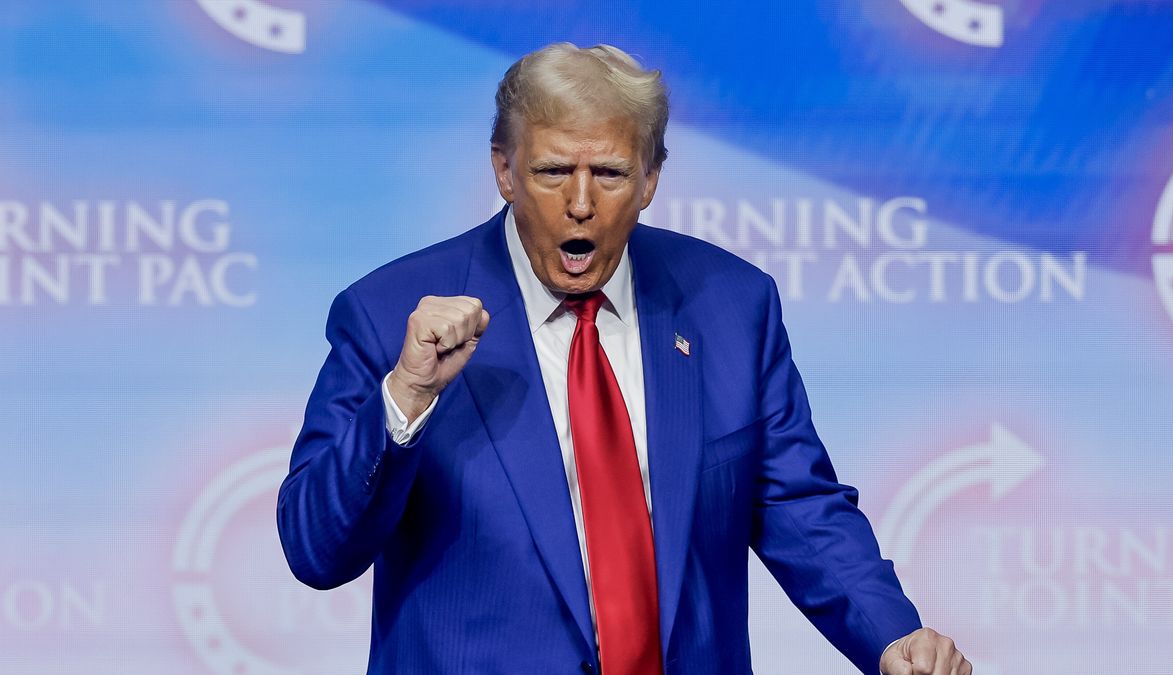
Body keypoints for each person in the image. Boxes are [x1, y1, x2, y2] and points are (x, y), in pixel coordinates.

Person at [278, 43, 971, 675]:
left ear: (650, 179)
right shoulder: (387, 314)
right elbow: (315, 549)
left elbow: (799, 505)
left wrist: (893, 636)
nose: (580, 203)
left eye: (608, 172)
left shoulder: (732, 307)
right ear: (504, 170)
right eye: (553, 171)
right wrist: (405, 396)